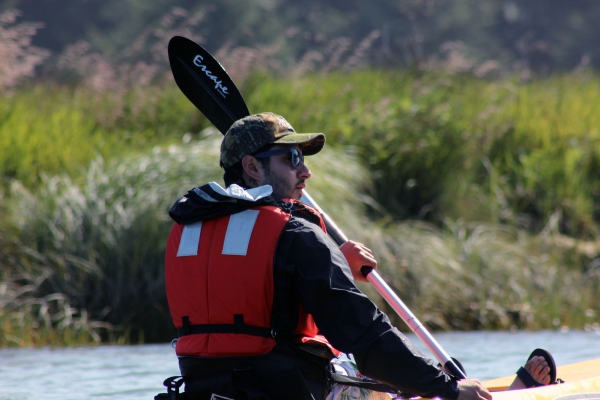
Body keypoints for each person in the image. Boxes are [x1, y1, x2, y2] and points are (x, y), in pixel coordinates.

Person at [164, 112, 552, 400]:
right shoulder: (294, 234)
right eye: (292, 159)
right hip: (289, 390)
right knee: (385, 381)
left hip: (205, 391)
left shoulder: (186, 233)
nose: (306, 173)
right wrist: (446, 387)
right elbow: (367, 338)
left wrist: (335, 265)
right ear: (252, 167)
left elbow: (256, 300)